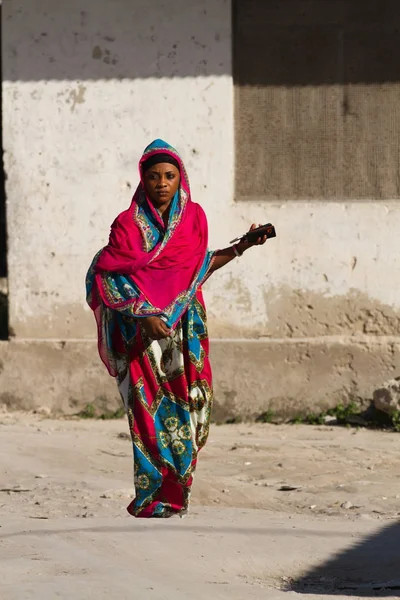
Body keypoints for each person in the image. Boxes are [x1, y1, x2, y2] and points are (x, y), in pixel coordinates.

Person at [86, 139, 267, 518]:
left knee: (193, 407)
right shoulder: (126, 225)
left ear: (180, 178)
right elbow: (106, 275)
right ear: (143, 179)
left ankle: (179, 487)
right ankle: (156, 496)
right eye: (154, 176)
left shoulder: (194, 219)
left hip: (185, 326)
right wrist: (143, 313)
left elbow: (198, 266)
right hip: (141, 333)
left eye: (169, 176)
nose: (162, 183)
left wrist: (243, 246)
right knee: (149, 412)